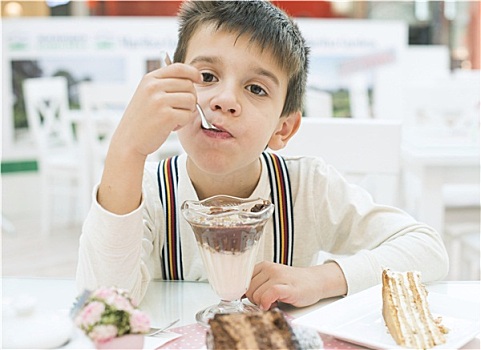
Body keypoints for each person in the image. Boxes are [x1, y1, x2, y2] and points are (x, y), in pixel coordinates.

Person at [76, 0, 449, 310]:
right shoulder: (147, 193)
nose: (225, 99)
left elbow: (427, 250)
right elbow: (105, 305)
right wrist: (127, 149)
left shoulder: (307, 189)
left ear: (282, 128)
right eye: (207, 77)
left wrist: (323, 278)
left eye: (255, 88)